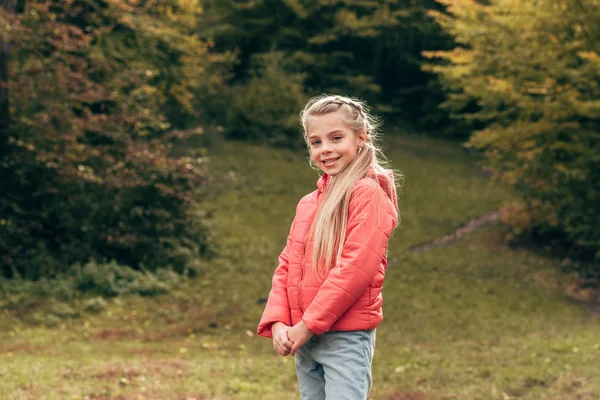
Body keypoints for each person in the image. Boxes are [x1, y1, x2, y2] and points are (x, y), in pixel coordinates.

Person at [257, 94, 400, 400]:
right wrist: (280, 322)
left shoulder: (368, 195)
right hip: (304, 339)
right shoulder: (309, 203)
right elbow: (287, 265)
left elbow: (354, 271)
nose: (326, 149)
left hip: (344, 338)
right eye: (316, 142)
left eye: (336, 138)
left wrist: (307, 325)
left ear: (361, 138)